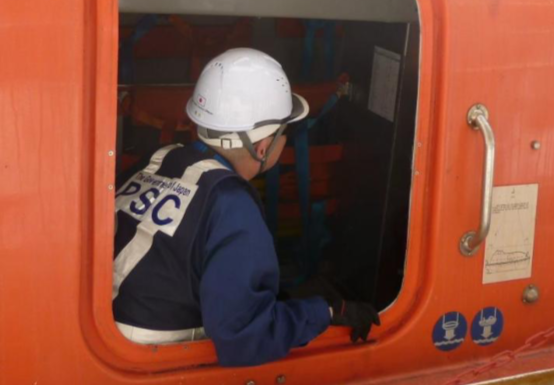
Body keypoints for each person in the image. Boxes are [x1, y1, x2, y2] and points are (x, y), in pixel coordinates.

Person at [113, 47, 379, 366]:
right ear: (262, 147)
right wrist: (326, 312)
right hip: (153, 363)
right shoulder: (231, 205)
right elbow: (245, 337)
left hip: (110, 334)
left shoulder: (160, 157)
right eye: (285, 132)